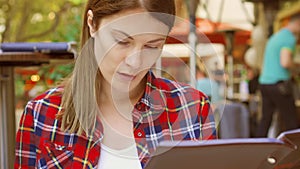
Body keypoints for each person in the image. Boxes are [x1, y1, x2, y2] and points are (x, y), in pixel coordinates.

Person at [14, 0, 217, 168]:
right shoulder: (41, 114)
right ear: (92, 24)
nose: (135, 62)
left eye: (152, 46)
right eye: (122, 41)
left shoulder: (193, 109)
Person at [256, 13, 300, 137]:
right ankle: (295, 153)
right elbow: (285, 62)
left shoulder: (276, 36)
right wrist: (296, 68)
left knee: (265, 120)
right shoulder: (289, 38)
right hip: (279, 85)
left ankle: (258, 149)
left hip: (265, 83)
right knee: (291, 121)